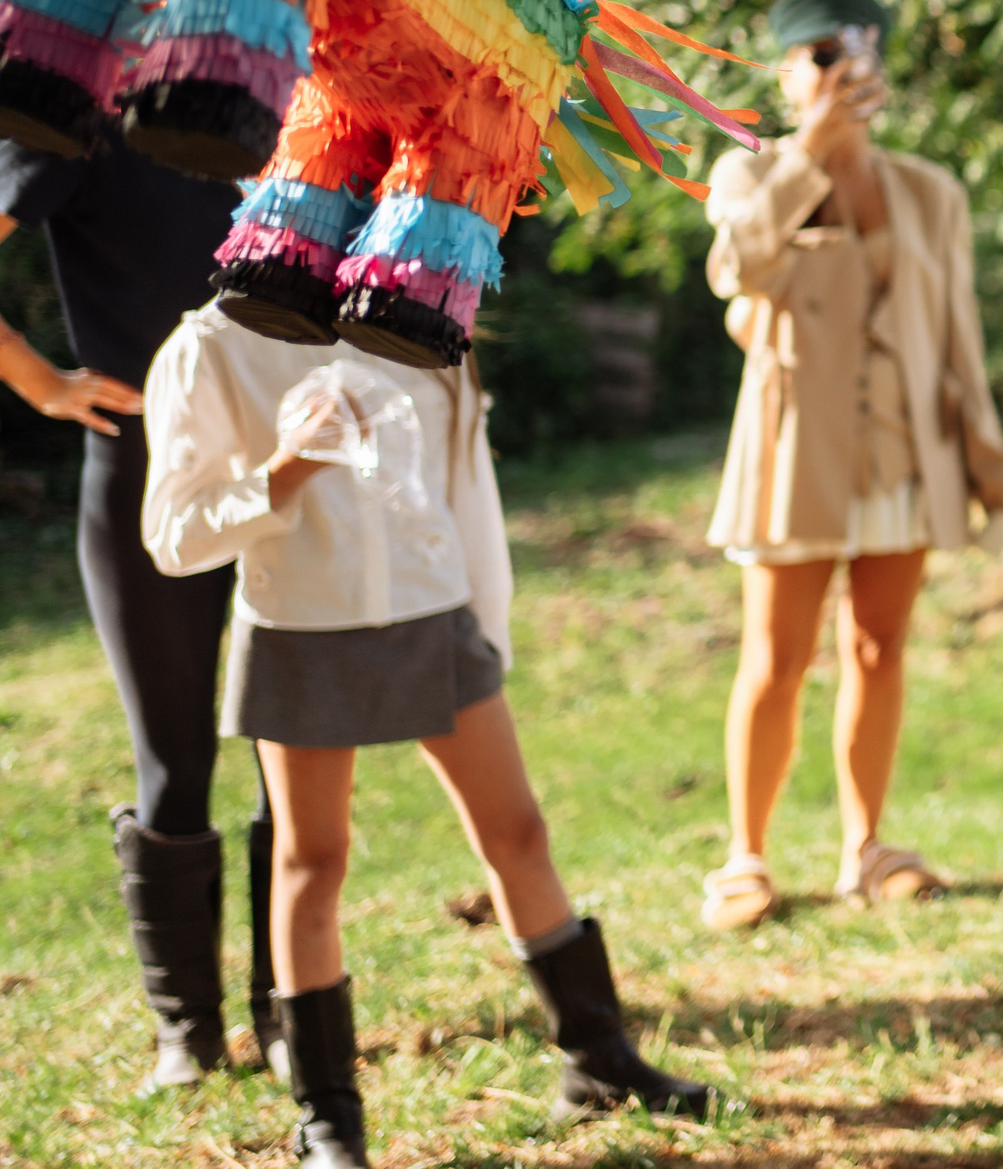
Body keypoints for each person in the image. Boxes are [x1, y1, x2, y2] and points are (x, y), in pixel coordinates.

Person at [139, 310, 711, 1169]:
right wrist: (286, 469)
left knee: (518, 832)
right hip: (301, 625)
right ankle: (329, 1119)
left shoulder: (424, 314)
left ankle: (597, 1063)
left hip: (434, 611)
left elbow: (465, 484)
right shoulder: (213, 343)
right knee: (314, 859)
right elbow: (173, 538)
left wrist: (487, 628)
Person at [699, 0, 1003, 930]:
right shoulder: (750, 174)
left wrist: (990, 465)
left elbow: (958, 334)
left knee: (881, 648)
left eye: (858, 60)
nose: (843, 78)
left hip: (904, 453)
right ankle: (745, 855)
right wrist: (813, 154)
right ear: (786, 72)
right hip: (796, 449)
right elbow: (736, 268)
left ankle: (867, 844)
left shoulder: (931, 190)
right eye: (821, 61)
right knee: (776, 656)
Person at [0, 134, 277, 1090]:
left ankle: (289, 1010)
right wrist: (42, 382)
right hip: (141, 477)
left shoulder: (284, 100)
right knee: (176, 757)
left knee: (292, 745)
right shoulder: (81, 118)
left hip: (287, 469)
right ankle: (187, 1032)